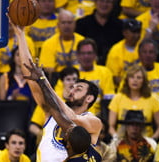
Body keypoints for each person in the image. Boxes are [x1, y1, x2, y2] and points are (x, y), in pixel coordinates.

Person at [9, 16, 102, 162]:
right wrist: (20, 34)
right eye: (72, 87)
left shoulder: (93, 121)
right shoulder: (50, 111)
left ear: (89, 98)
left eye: (78, 88)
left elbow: (72, 118)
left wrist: (43, 80)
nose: (72, 90)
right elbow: (30, 74)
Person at [108, 64, 159, 141]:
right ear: (127, 79)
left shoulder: (152, 99)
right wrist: (116, 138)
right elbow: (111, 126)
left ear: (144, 81)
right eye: (132, 77)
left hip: (146, 141)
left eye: (139, 78)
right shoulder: (118, 98)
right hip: (121, 140)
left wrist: (152, 140)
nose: (135, 80)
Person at [29, 67, 80, 146]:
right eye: (68, 79)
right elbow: (32, 126)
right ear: (62, 81)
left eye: (75, 79)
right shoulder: (51, 98)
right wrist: (45, 135)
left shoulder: (82, 100)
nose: (72, 83)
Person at [74, 38, 115, 115]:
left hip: (98, 116)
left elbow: (109, 100)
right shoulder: (72, 73)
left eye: (89, 53)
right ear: (78, 55)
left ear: (95, 54)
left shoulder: (105, 72)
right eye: (83, 53)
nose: (86, 56)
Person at [76, 0, 123, 65]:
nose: (104, 4)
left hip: (113, 64)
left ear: (113, 4)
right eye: (101, 1)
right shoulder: (81, 24)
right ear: (95, 2)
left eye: (108, 2)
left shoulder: (120, 25)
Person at [39, 9, 85, 74]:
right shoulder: (48, 43)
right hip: (58, 79)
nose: (66, 26)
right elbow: (48, 69)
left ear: (75, 24)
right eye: (63, 22)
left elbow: (88, 66)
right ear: (58, 25)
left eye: (69, 22)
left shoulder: (82, 41)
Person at [106, 18, 142, 88]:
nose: (137, 35)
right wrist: (132, 84)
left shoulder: (144, 48)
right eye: (133, 32)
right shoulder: (115, 50)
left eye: (138, 32)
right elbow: (114, 77)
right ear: (124, 33)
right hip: (122, 89)